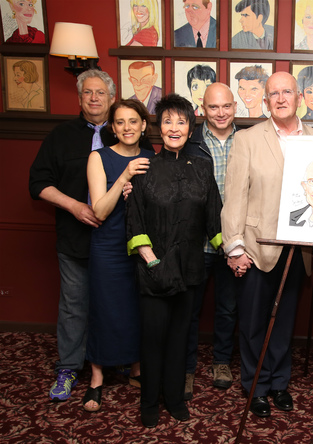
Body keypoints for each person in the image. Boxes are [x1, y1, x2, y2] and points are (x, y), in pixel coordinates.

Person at [221, 72, 313, 418]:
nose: (280, 98)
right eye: (273, 93)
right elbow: (234, 197)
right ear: (265, 101)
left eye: (287, 92)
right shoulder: (247, 139)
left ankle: (279, 383)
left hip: (299, 249)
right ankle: (256, 386)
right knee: (252, 323)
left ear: (299, 98)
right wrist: (234, 248)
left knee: (285, 322)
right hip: (255, 246)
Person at [126, 94, 222, 428]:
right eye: (167, 121)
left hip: (190, 269)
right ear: (158, 127)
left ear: (190, 126)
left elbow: (214, 219)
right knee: (152, 338)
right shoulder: (143, 167)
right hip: (153, 269)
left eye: (181, 121)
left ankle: (175, 398)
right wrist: (152, 261)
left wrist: (235, 252)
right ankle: (149, 402)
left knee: (181, 338)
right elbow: (135, 220)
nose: (174, 127)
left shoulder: (203, 168)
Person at [29, 70, 122, 402]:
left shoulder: (125, 131)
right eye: (88, 93)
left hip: (116, 241)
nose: (94, 98)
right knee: (74, 305)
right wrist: (73, 206)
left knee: (115, 303)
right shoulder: (60, 136)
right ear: (80, 98)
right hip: (74, 237)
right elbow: (37, 183)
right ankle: (68, 366)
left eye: (101, 93)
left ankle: (117, 360)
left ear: (112, 98)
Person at [82, 100, 155, 413]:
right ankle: (97, 376)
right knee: (104, 308)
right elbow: (98, 210)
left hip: (141, 247)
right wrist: (124, 176)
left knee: (138, 308)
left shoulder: (153, 158)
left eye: (133, 121)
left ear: (143, 126)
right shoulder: (98, 158)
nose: (127, 127)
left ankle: (136, 367)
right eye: (120, 122)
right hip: (108, 246)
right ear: (112, 127)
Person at [182, 83, 239, 398]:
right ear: (202, 109)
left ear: (235, 107)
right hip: (196, 242)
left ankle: (221, 361)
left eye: (226, 106)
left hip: (233, 242)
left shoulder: (247, 141)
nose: (220, 113)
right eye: (213, 107)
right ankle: (187, 368)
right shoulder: (188, 142)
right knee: (189, 309)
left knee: (228, 307)